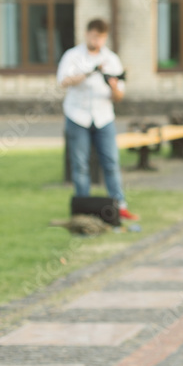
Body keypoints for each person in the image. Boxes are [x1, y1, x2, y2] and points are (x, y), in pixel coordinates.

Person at [56, 18, 139, 221]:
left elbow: (119, 96)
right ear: (87, 34)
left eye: (101, 37)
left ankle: (119, 206)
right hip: (78, 116)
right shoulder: (73, 56)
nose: (97, 40)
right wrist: (87, 74)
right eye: (94, 36)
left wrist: (112, 86)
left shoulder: (111, 59)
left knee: (111, 162)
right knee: (80, 165)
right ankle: (84, 210)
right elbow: (63, 81)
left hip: (103, 118)